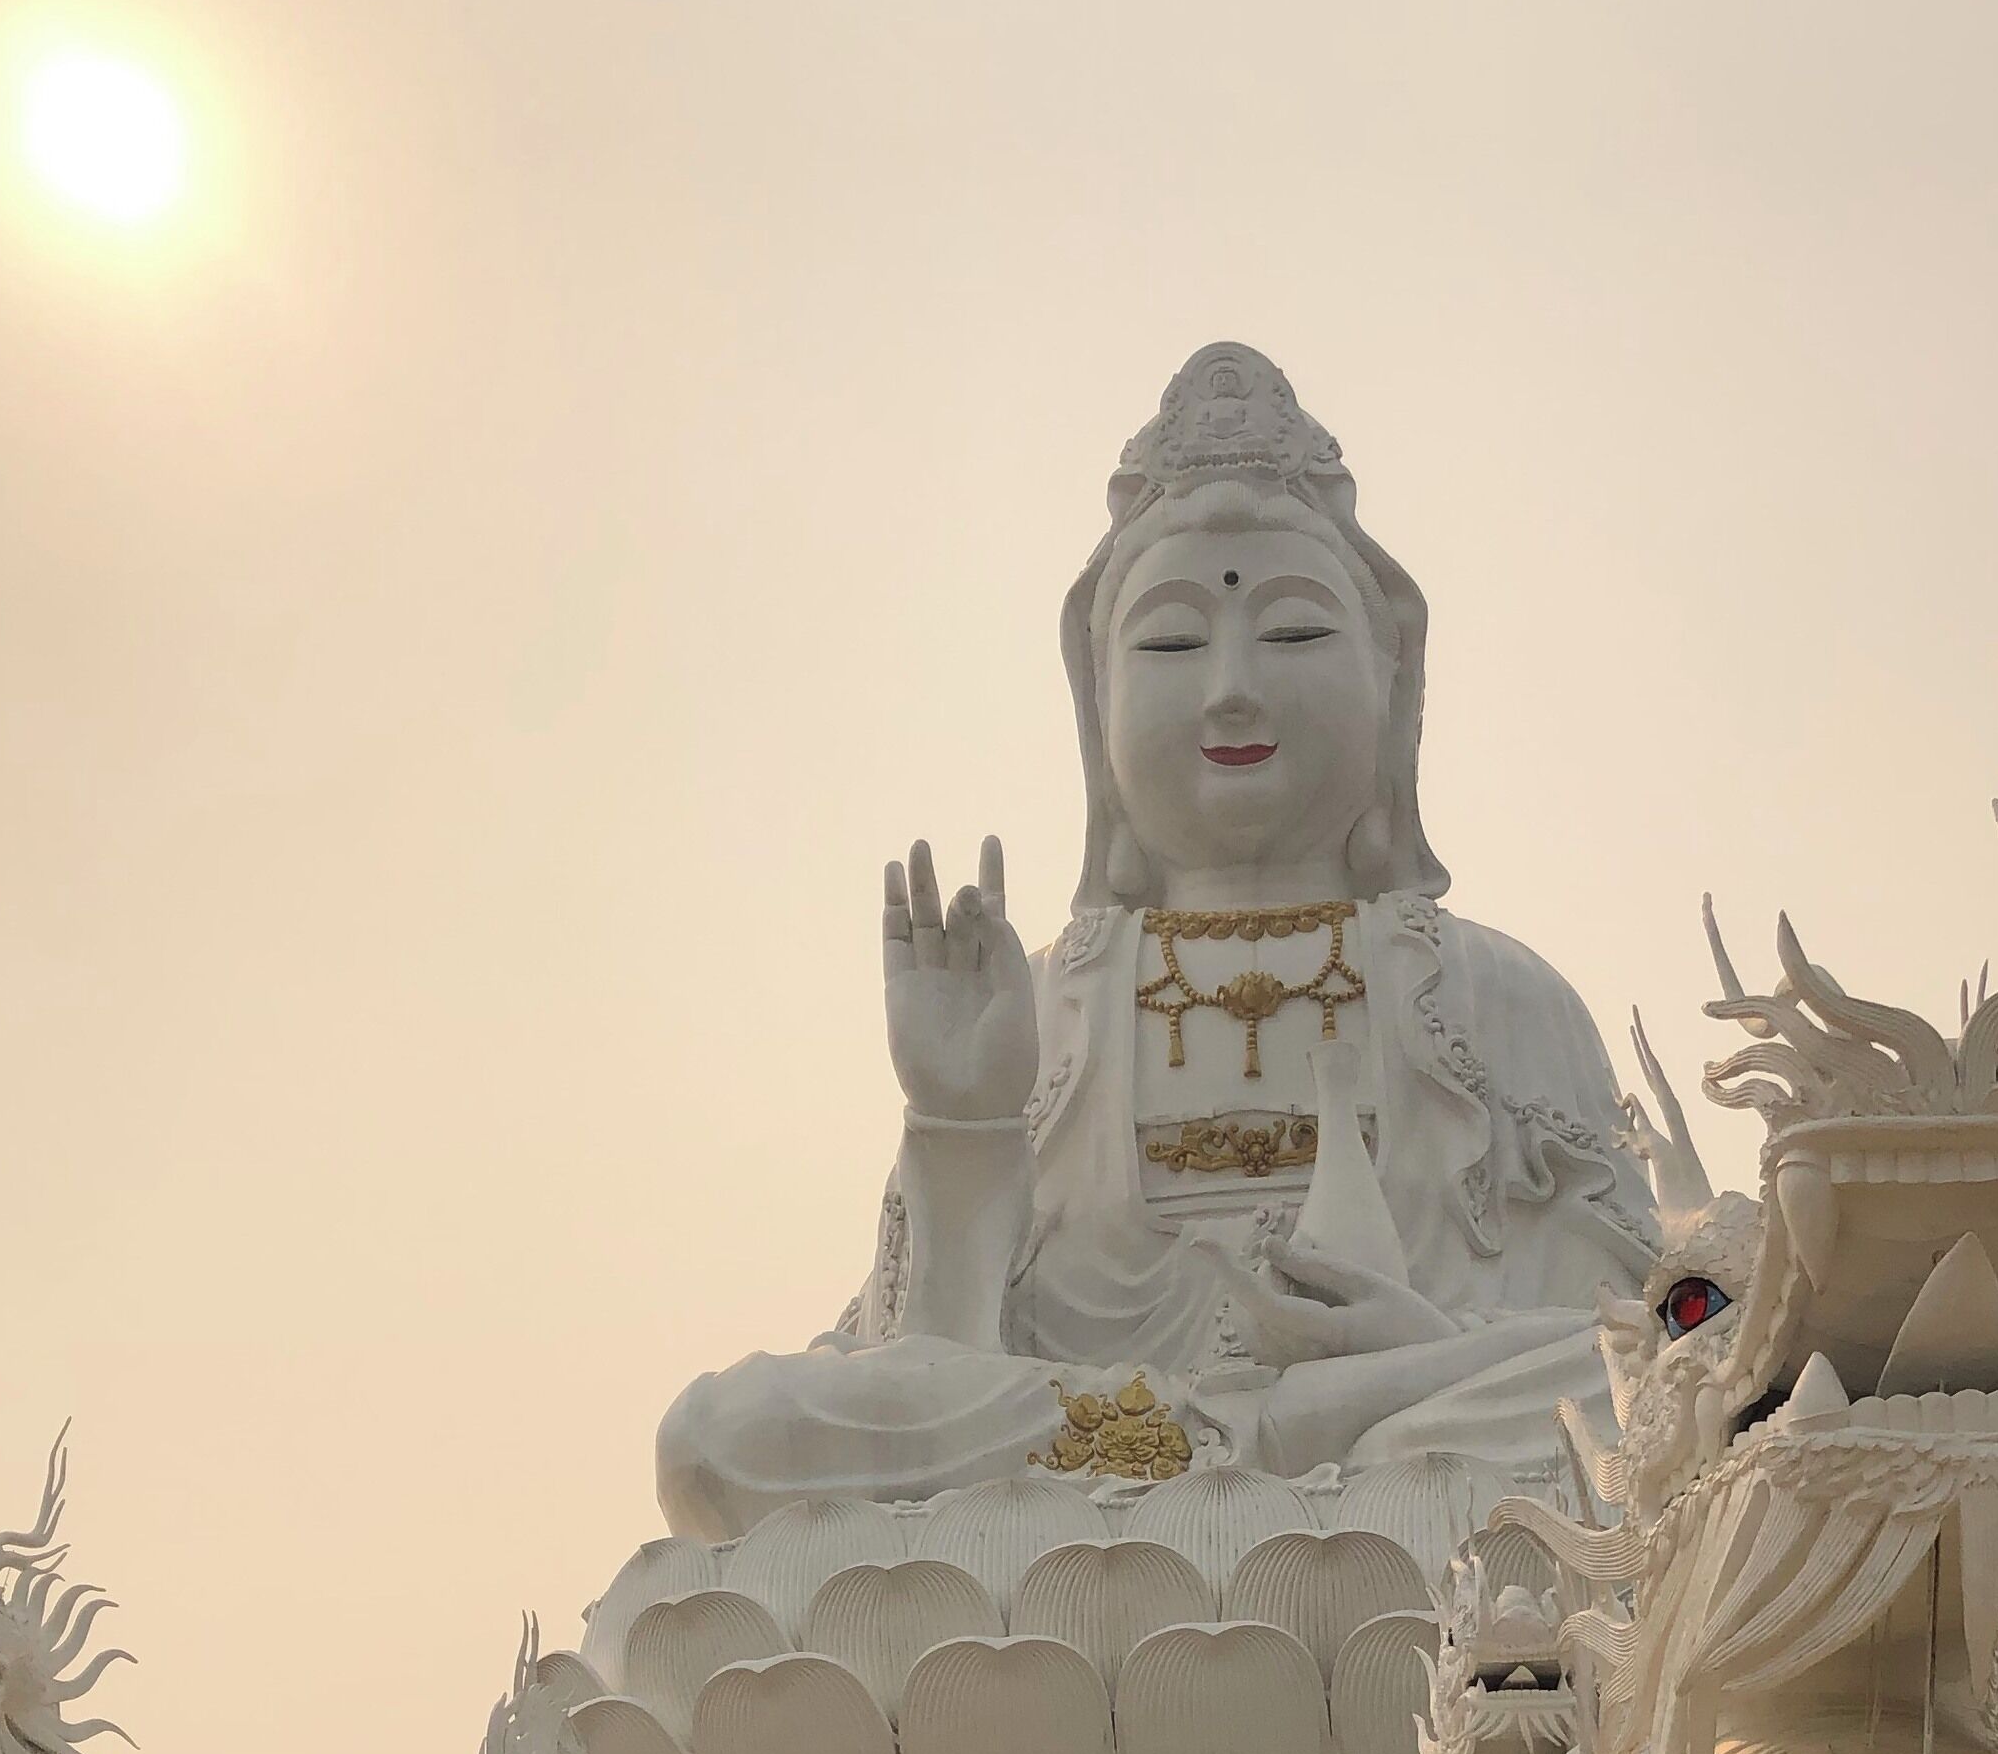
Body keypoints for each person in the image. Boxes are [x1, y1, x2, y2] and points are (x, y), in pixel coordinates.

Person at [657, 346, 1655, 1538]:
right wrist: (963, 1128)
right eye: (1174, 646)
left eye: (1290, 636)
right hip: (1101, 1458)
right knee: (718, 1436)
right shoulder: (1052, 1002)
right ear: (1096, 701)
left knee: (1674, 1374)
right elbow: (918, 1362)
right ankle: (1240, 1442)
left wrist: (1427, 1350)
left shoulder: (1492, 992)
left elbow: (1655, 1342)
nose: (1232, 689)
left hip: (1414, 1453)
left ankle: (1287, 1433)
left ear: (1393, 677)